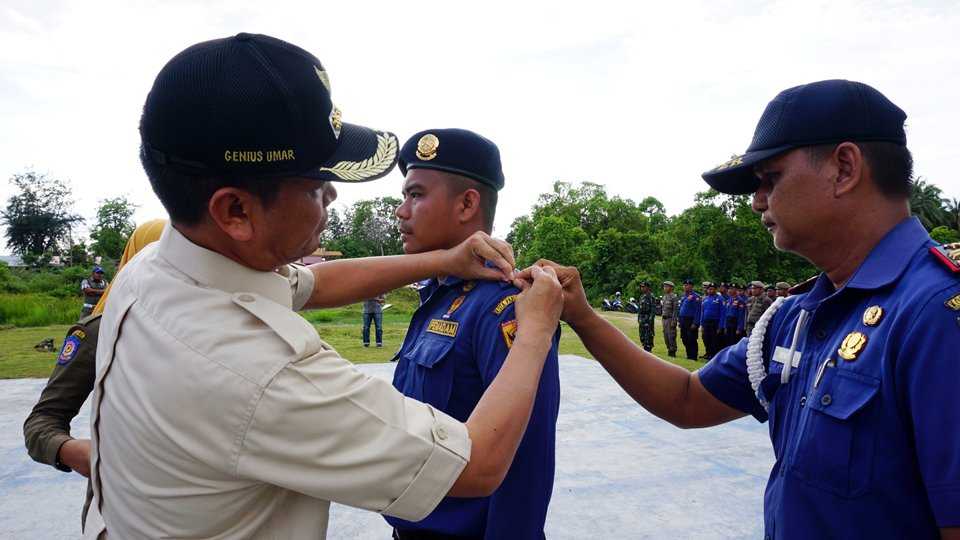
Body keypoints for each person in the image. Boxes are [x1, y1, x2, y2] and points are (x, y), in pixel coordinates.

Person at [84, 33, 564, 540]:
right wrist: (536, 330)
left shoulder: (153, 273)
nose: (333, 194)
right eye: (315, 184)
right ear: (236, 211)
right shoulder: (261, 373)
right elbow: (478, 465)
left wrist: (442, 259)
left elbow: (312, 283)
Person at [522, 79, 960, 539]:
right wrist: (585, 317)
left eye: (770, 179)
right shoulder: (798, 316)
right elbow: (688, 400)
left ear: (844, 168)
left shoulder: (935, 314)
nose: (756, 202)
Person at [388, 128, 561, 539]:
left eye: (415, 195)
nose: (400, 210)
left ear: (467, 204)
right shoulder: (438, 295)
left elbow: (525, 463)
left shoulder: (504, 308)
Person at [23, 219, 166, 530]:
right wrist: (74, 452)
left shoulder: (215, 327)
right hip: (123, 512)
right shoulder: (99, 332)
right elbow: (41, 423)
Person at [677, 279, 701, 360]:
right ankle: (688, 354)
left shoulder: (696, 297)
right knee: (684, 338)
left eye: (687, 285)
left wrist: (695, 323)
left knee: (692, 339)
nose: (685, 287)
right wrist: (679, 320)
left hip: (691, 320)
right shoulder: (683, 296)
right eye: (684, 285)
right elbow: (680, 309)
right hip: (683, 320)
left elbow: (698, 310)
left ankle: (693, 356)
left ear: (691, 286)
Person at [698, 282, 723, 359]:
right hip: (706, 322)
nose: (710, 290)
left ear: (716, 289)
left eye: (712, 289)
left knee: (714, 339)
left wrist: (720, 326)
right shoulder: (705, 299)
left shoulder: (719, 299)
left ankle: (713, 355)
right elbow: (702, 311)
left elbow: (722, 313)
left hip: (715, 322)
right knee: (705, 338)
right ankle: (708, 353)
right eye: (709, 289)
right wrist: (701, 324)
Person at [721, 283, 746, 348]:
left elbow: (741, 316)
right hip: (728, 323)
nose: (730, 290)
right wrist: (725, 326)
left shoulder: (740, 301)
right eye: (729, 289)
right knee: (727, 342)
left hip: (735, 323)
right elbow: (726, 314)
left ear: (736, 290)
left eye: (732, 289)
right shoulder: (729, 300)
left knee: (734, 342)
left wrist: (739, 328)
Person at [636, 281, 656, 352]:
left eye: (643, 287)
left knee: (648, 335)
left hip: (648, 318)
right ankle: (644, 345)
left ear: (648, 287)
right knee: (642, 335)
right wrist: (639, 318)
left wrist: (650, 319)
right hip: (642, 318)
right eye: (641, 287)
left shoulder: (651, 297)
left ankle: (648, 348)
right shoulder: (642, 296)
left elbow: (653, 310)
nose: (642, 288)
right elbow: (639, 309)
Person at [660, 281, 679, 357]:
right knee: (666, 336)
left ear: (671, 288)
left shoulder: (674, 297)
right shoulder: (664, 297)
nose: (665, 288)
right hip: (664, 319)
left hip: (670, 319)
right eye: (664, 286)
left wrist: (674, 321)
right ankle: (669, 348)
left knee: (671, 336)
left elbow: (675, 310)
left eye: (666, 286)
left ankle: (672, 351)